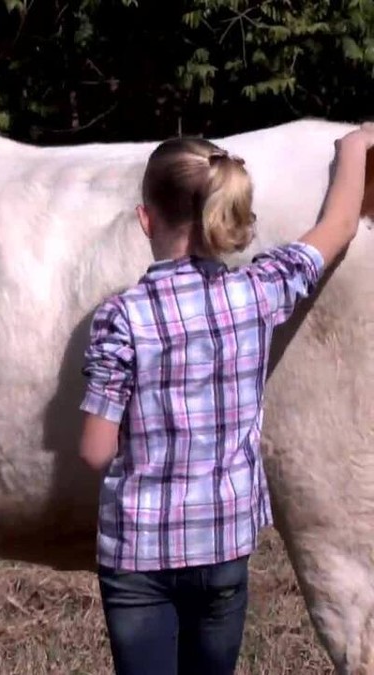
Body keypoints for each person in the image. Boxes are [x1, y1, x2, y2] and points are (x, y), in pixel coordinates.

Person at [78, 123, 374, 675]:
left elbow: (96, 451)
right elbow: (336, 228)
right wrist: (354, 148)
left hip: (141, 558)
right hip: (223, 547)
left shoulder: (121, 318)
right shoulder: (257, 292)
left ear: (145, 219)